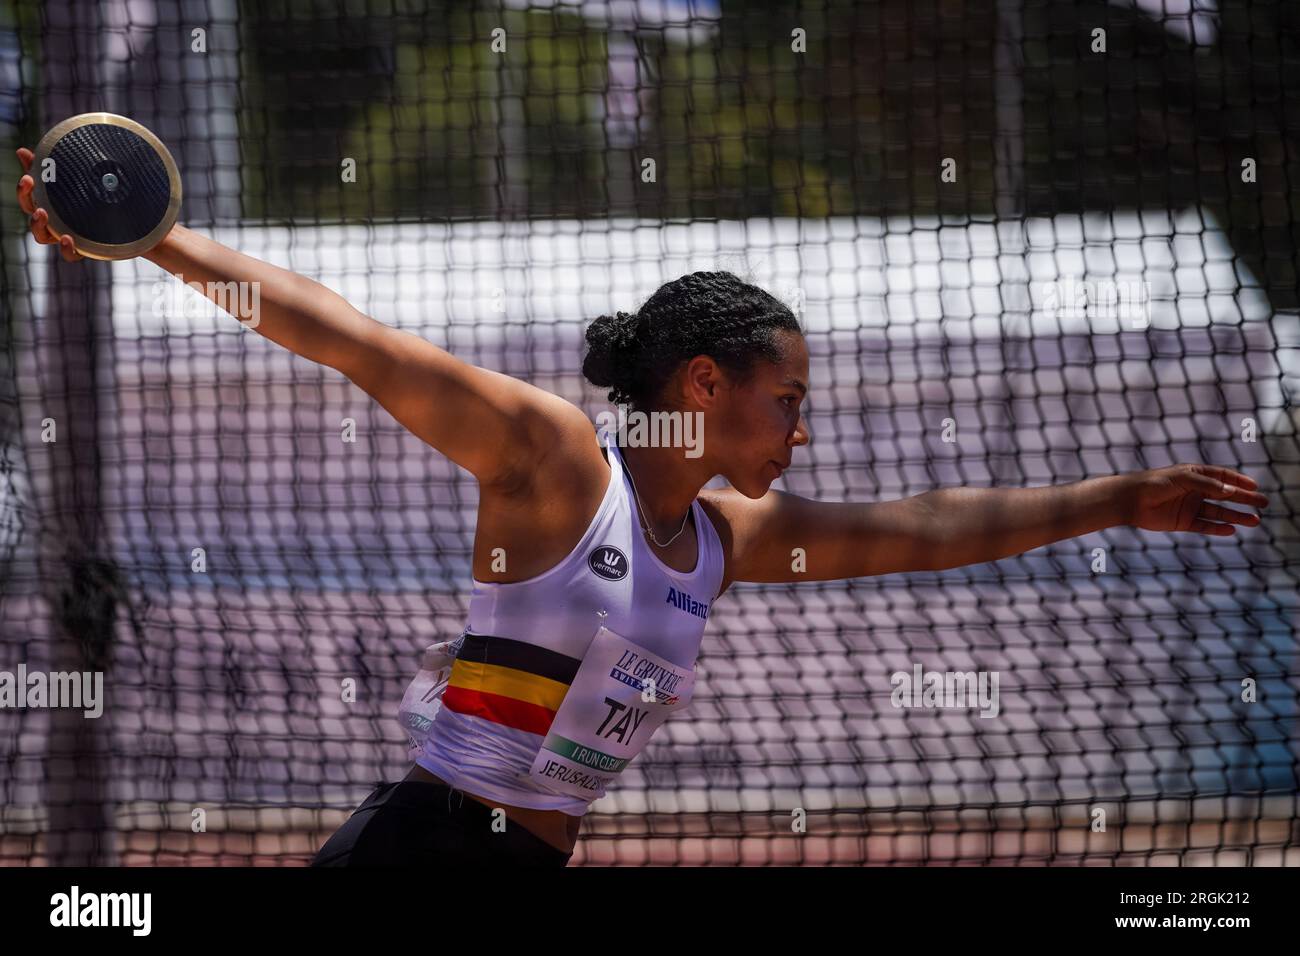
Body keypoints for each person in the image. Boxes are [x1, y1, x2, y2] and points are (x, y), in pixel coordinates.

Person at [16, 148, 1269, 867]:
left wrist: (1114, 497)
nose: (802, 427)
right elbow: (351, 340)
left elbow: (929, 524)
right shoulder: (560, 464)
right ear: (704, 383)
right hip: (424, 854)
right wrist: (157, 243)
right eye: (786, 399)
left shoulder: (716, 538)